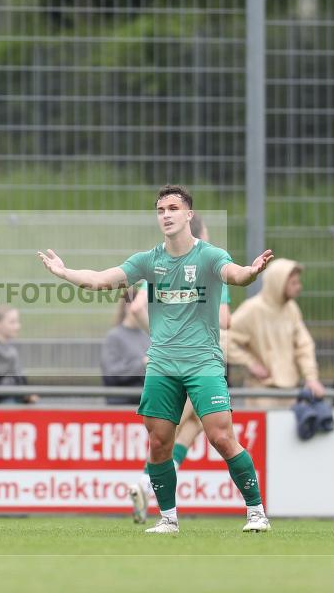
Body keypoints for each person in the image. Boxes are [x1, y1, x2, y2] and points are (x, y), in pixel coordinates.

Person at [38, 184, 274, 534]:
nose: (166, 214)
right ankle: (168, 518)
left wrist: (251, 272)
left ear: (188, 215)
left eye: (173, 208)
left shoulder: (208, 255)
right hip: (162, 364)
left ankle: (256, 512)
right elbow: (101, 280)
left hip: (203, 362)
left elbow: (234, 275)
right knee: (160, 442)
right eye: (161, 209)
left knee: (221, 436)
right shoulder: (148, 260)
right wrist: (65, 272)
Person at [127, 213, 232, 523]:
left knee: (194, 424)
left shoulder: (165, 266)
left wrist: (162, 336)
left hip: (172, 357)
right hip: (199, 359)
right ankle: (146, 484)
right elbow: (224, 320)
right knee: (173, 429)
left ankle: (146, 486)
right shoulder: (208, 267)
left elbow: (135, 307)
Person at [226, 259, 325, 406]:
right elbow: (222, 338)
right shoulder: (252, 309)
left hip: (290, 392)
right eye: (293, 283)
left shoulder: (291, 309)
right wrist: (250, 363)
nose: (299, 287)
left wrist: (311, 378)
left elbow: (304, 345)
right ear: (278, 283)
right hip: (261, 393)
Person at [100, 290, 150, 404]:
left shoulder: (147, 337)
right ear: (129, 306)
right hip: (123, 404)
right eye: (144, 308)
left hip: (145, 403)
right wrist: (142, 364)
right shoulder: (114, 337)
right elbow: (111, 374)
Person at [0, 305, 35, 403]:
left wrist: (27, 394)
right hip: (2, 401)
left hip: (15, 397)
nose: (18, 326)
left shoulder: (11, 349)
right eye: (12, 322)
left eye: (18, 322)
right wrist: (18, 390)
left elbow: (20, 377)